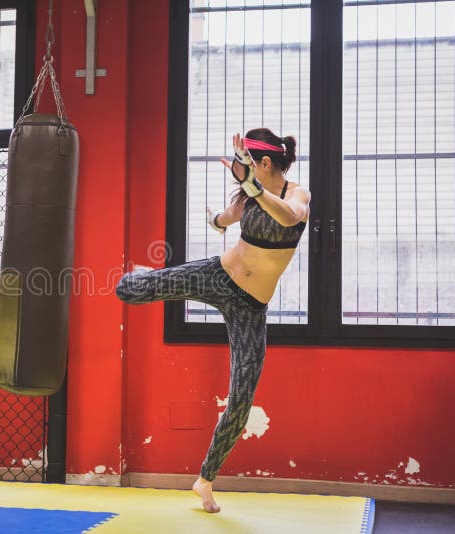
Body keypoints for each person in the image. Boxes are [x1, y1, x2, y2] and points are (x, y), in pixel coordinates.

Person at [115, 128, 310, 513]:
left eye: (246, 162)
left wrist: (252, 188)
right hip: (218, 275)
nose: (240, 169)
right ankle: (139, 275)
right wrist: (217, 221)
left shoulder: (295, 195)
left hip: (250, 308)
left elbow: (291, 218)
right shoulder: (247, 196)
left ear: (264, 163)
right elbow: (225, 219)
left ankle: (204, 480)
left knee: (241, 399)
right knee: (129, 291)